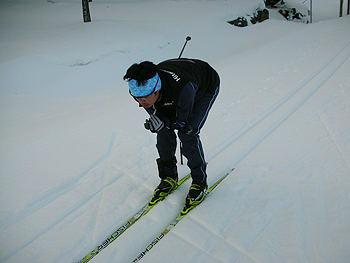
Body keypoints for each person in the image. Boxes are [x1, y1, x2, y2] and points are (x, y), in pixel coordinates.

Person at [123, 58, 220, 213]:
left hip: (204, 83)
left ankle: (200, 181)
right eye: (137, 97)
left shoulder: (183, 89)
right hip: (178, 82)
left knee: (188, 133)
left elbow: (181, 122)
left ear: (157, 88)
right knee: (163, 131)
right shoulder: (143, 92)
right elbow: (162, 121)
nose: (141, 102)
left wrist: (165, 122)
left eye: (146, 96)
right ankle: (169, 176)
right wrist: (161, 124)